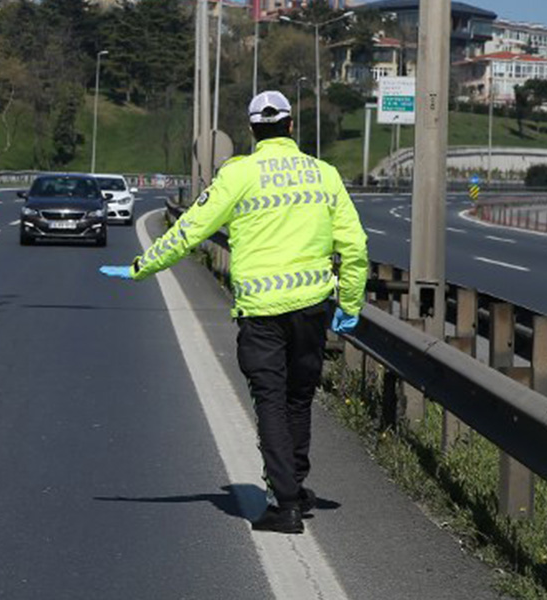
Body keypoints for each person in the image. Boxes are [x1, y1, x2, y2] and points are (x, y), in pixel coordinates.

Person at [99, 91, 368, 534]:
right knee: (299, 399)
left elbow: (190, 229)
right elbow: (354, 245)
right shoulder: (324, 174)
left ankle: (285, 505)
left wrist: (140, 267)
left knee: (270, 402)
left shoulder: (239, 174)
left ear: (251, 130)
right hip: (313, 308)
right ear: (289, 127)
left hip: (262, 312)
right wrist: (351, 304)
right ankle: (295, 486)